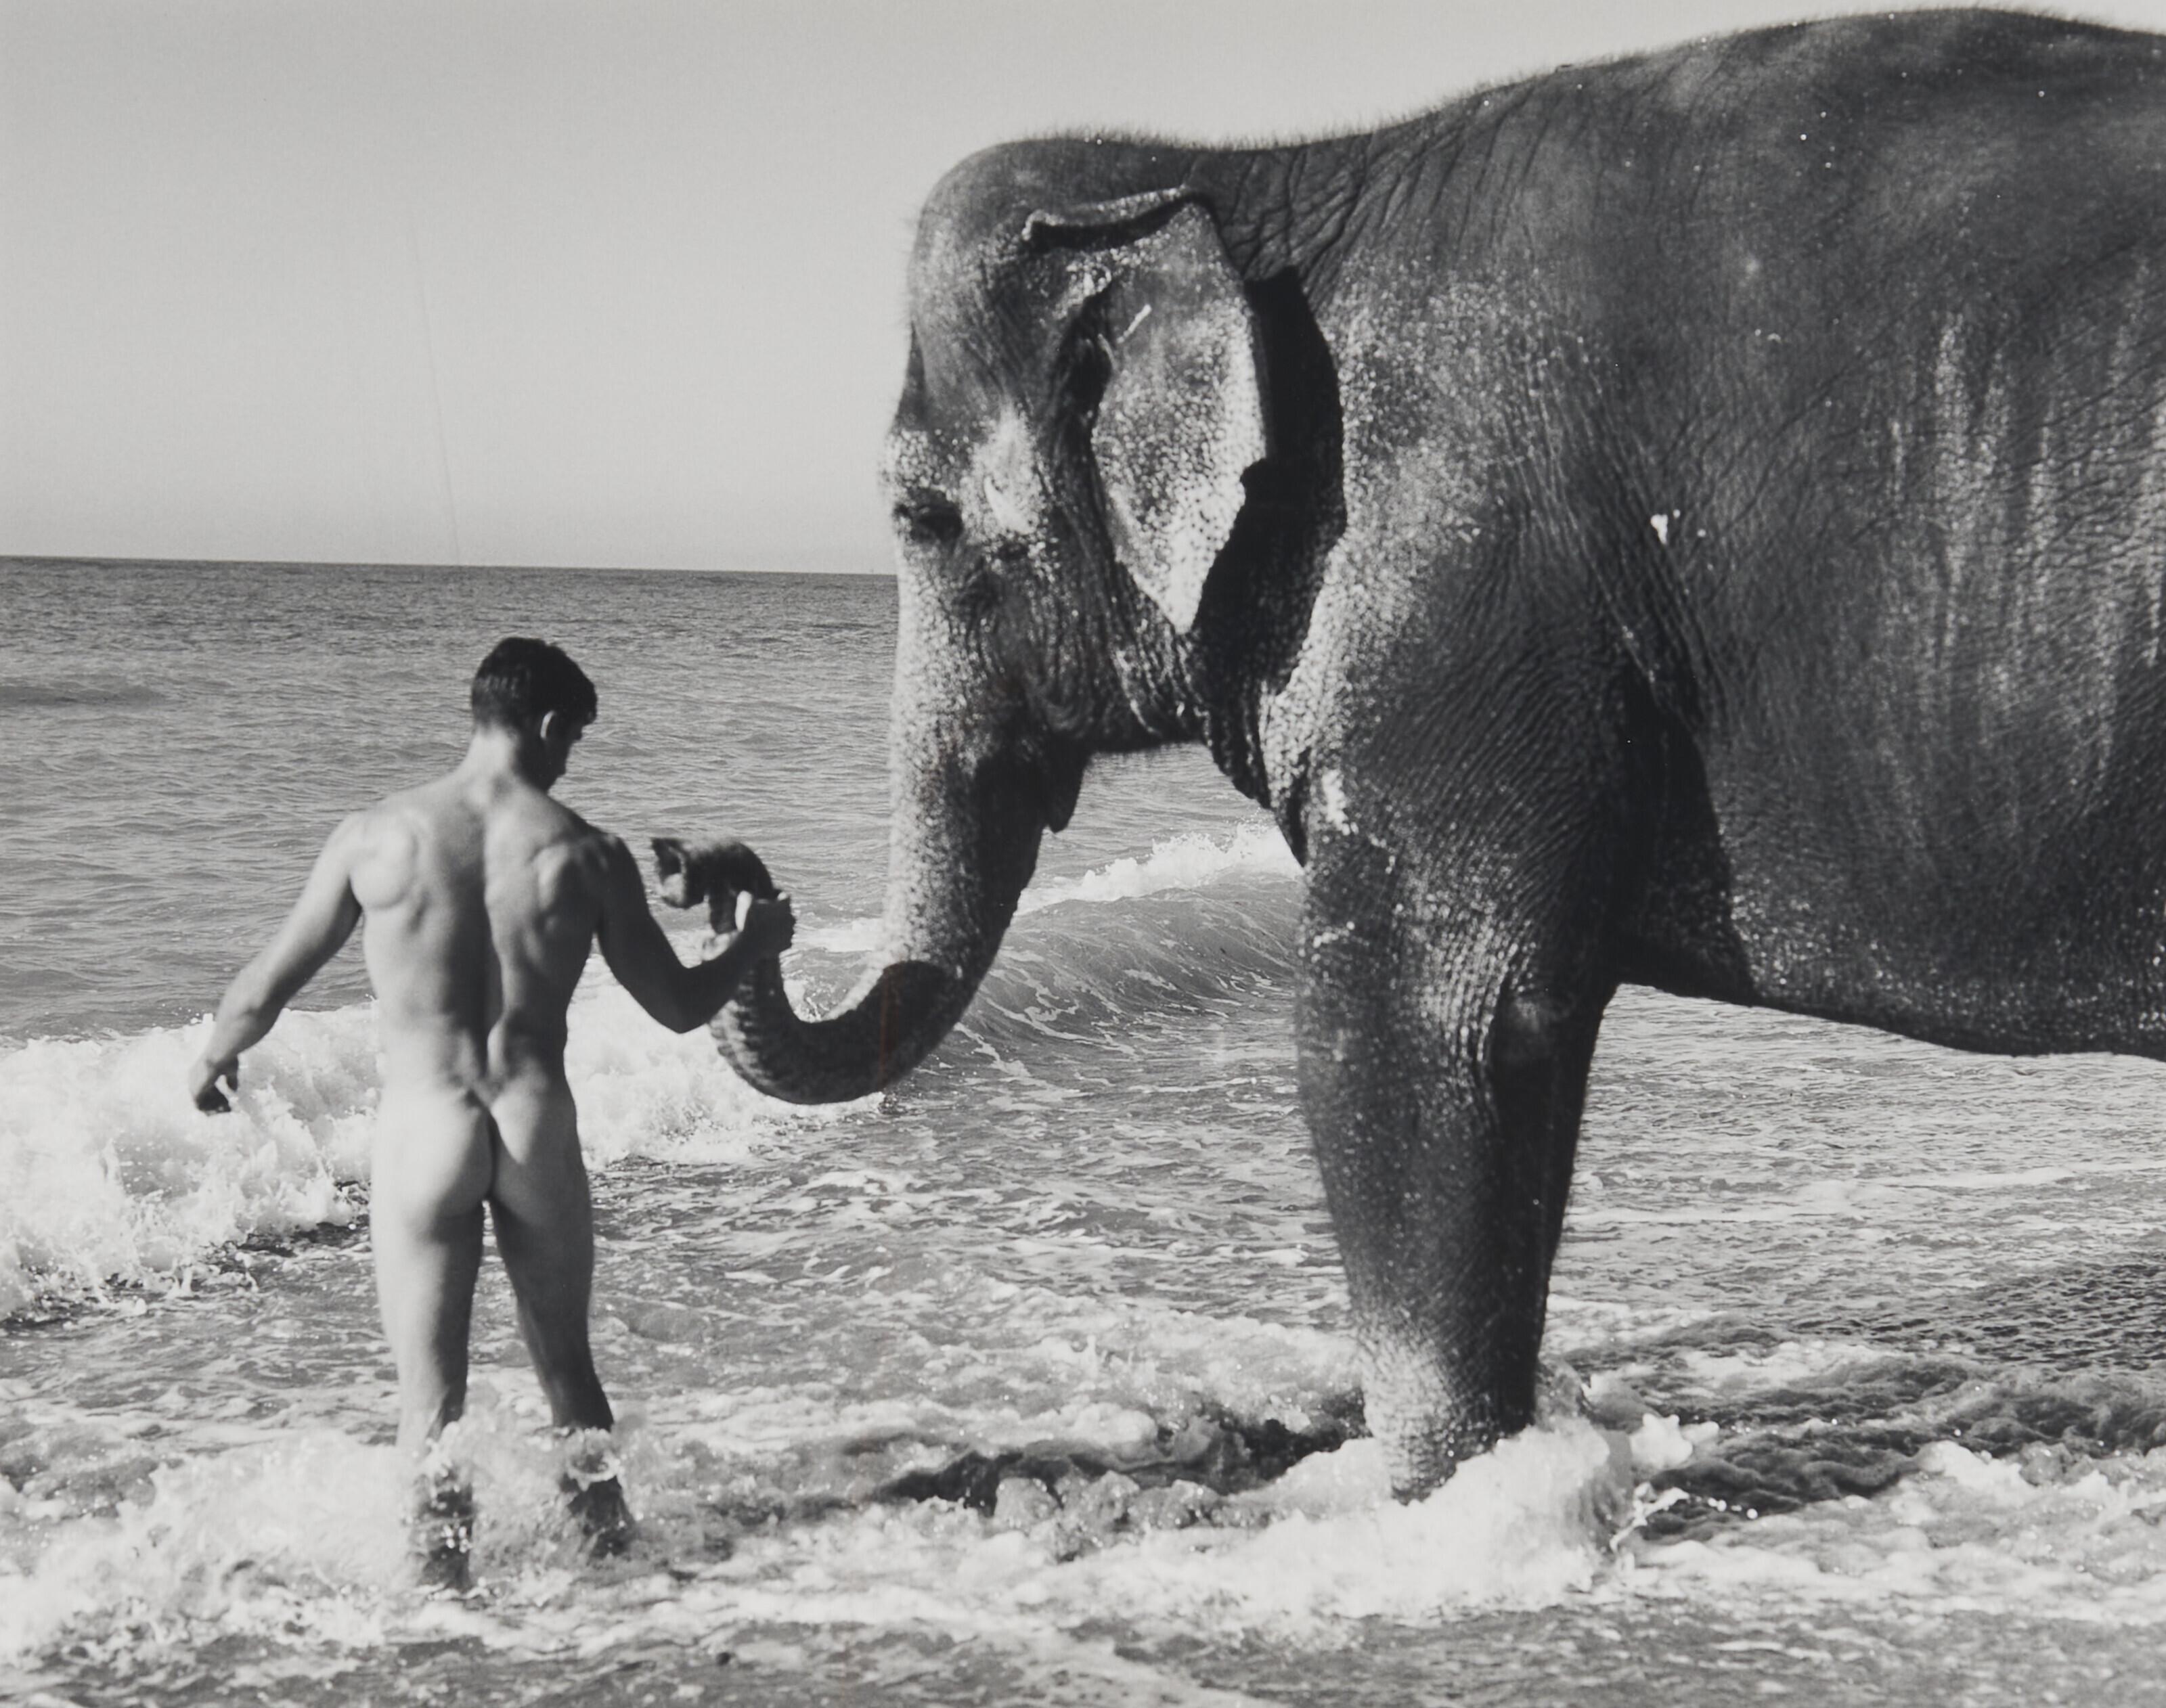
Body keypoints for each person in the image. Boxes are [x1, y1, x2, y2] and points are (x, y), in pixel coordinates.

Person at [186, 637, 793, 1586]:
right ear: (549, 726)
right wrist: (752, 945)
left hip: (426, 1128)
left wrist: (216, 1058)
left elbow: (266, 985)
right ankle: (610, 1567)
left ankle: (442, 1599)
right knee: (567, 1370)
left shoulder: (372, 836)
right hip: (534, 1123)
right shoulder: (587, 855)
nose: (569, 761)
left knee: (431, 1397)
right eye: (574, 741)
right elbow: (678, 1007)